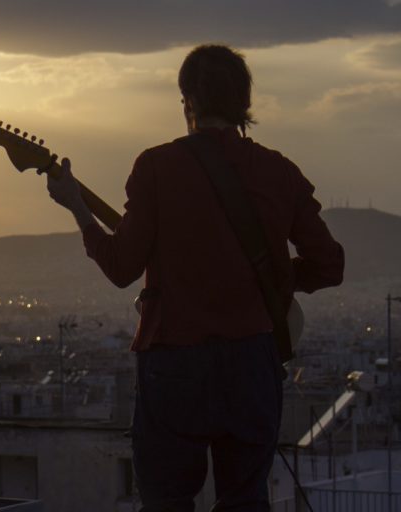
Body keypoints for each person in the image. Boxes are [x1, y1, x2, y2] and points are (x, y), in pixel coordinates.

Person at [45, 44, 344, 511]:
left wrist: (78, 208)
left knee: (166, 501)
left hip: (174, 365)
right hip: (251, 362)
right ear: (245, 103)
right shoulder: (280, 172)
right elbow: (330, 266)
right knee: (245, 501)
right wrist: (274, 280)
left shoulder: (156, 167)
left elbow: (122, 268)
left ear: (187, 101)